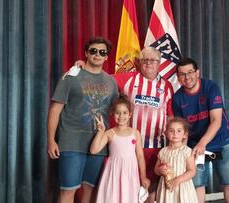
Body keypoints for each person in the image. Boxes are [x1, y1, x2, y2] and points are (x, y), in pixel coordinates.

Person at [74, 46, 174, 202]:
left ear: (159, 63)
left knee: (151, 187)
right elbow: (102, 78)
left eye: (152, 60)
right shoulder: (128, 78)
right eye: (144, 60)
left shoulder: (167, 86)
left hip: (156, 146)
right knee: (128, 188)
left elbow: (169, 117)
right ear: (140, 62)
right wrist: (85, 67)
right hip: (128, 147)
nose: (148, 63)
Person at [47, 37, 118, 203]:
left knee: (89, 191)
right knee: (68, 191)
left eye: (102, 52)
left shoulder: (111, 82)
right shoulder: (71, 76)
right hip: (71, 142)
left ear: (107, 56)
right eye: (93, 51)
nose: (97, 55)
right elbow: (55, 110)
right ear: (86, 53)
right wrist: (51, 140)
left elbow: (119, 110)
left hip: (98, 145)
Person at [172, 57, 229, 203]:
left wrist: (203, 143)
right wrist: (181, 150)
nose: (187, 77)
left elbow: (216, 120)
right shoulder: (177, 98)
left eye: (190, 72)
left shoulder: (211, 87)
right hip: (195, 146)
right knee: (197, 185)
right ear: (178, 77)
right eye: (182, 74)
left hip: (220, 141)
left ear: (197, 73)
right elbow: (182, 129)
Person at [90, 94, 150, 203]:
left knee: (129, 197)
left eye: (124, 113)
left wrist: (143, 176)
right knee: (112, 197)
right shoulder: (110, 133)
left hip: (130, 173)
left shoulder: (135, 133)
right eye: (117, 113)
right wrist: (100, 132)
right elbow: (94, 150)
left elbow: (140, 156)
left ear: (130, 114)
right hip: (114, 172)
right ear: (113, 114)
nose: (121, 116)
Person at [154, 117, 198, 203]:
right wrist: (159, 170)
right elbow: (156, 170)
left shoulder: (187, 151)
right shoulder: (163, 151)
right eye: (171, 130)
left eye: (179, 131)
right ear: (166, 133)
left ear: (185, 134)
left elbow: (192, 171)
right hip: (166, 187)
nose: (175, 133)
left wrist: (178, 180)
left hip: (182, 187)